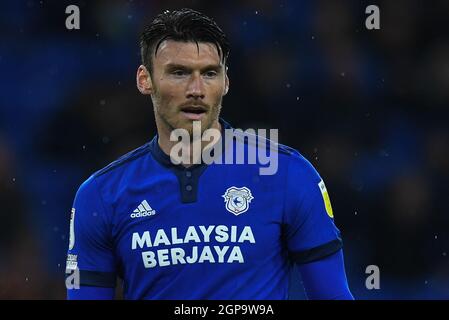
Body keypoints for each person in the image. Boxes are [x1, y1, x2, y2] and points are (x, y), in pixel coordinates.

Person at [66, 8, 353, 300]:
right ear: (145, 80)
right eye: (179, 72)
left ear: (226, 81)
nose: (196, 89)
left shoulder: (287, 174)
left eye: (209, 73)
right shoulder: (101, 194)